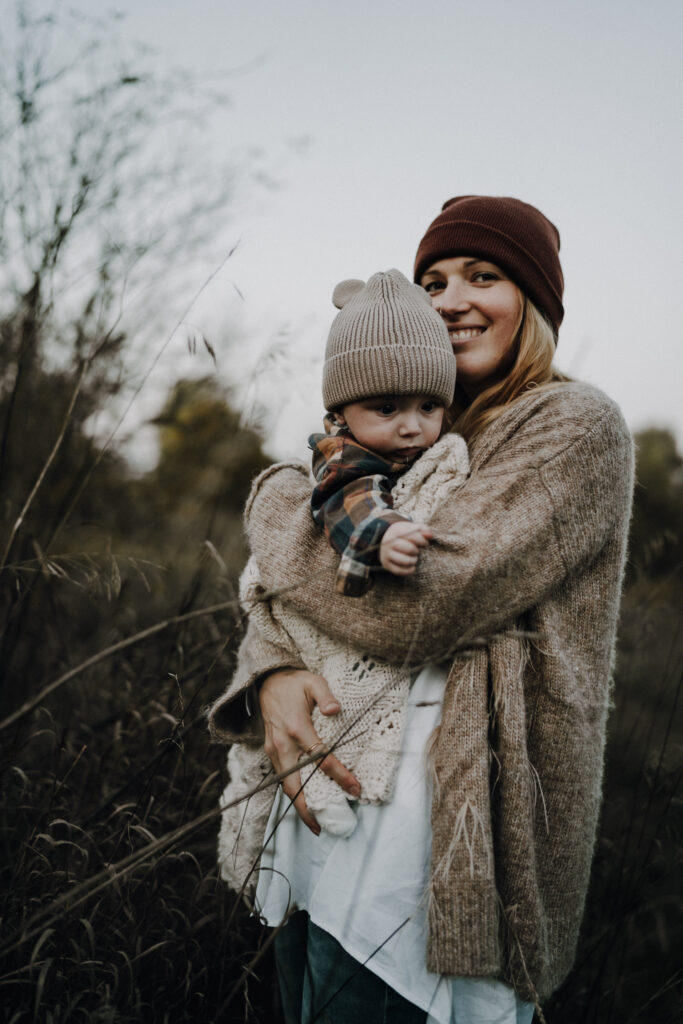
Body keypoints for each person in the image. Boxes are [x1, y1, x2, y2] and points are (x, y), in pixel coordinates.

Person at [208, 195, 635, 1024]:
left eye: (484, 276)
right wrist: (272, 674)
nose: (451, 299)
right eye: (431, 280)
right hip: (326, 805)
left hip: (440, 837)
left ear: (536, 302)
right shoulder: (403, 430)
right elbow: (277, 606)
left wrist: (272, 505)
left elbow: (418, 609)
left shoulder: (574, 426)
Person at [213, 269, 469, 888]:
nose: (413, 426)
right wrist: (387, 538)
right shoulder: (343, 458)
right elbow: (352, 509)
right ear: (340, 413)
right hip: (329, 659)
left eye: (429, 407)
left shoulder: (405, 451)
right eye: (388, 408)